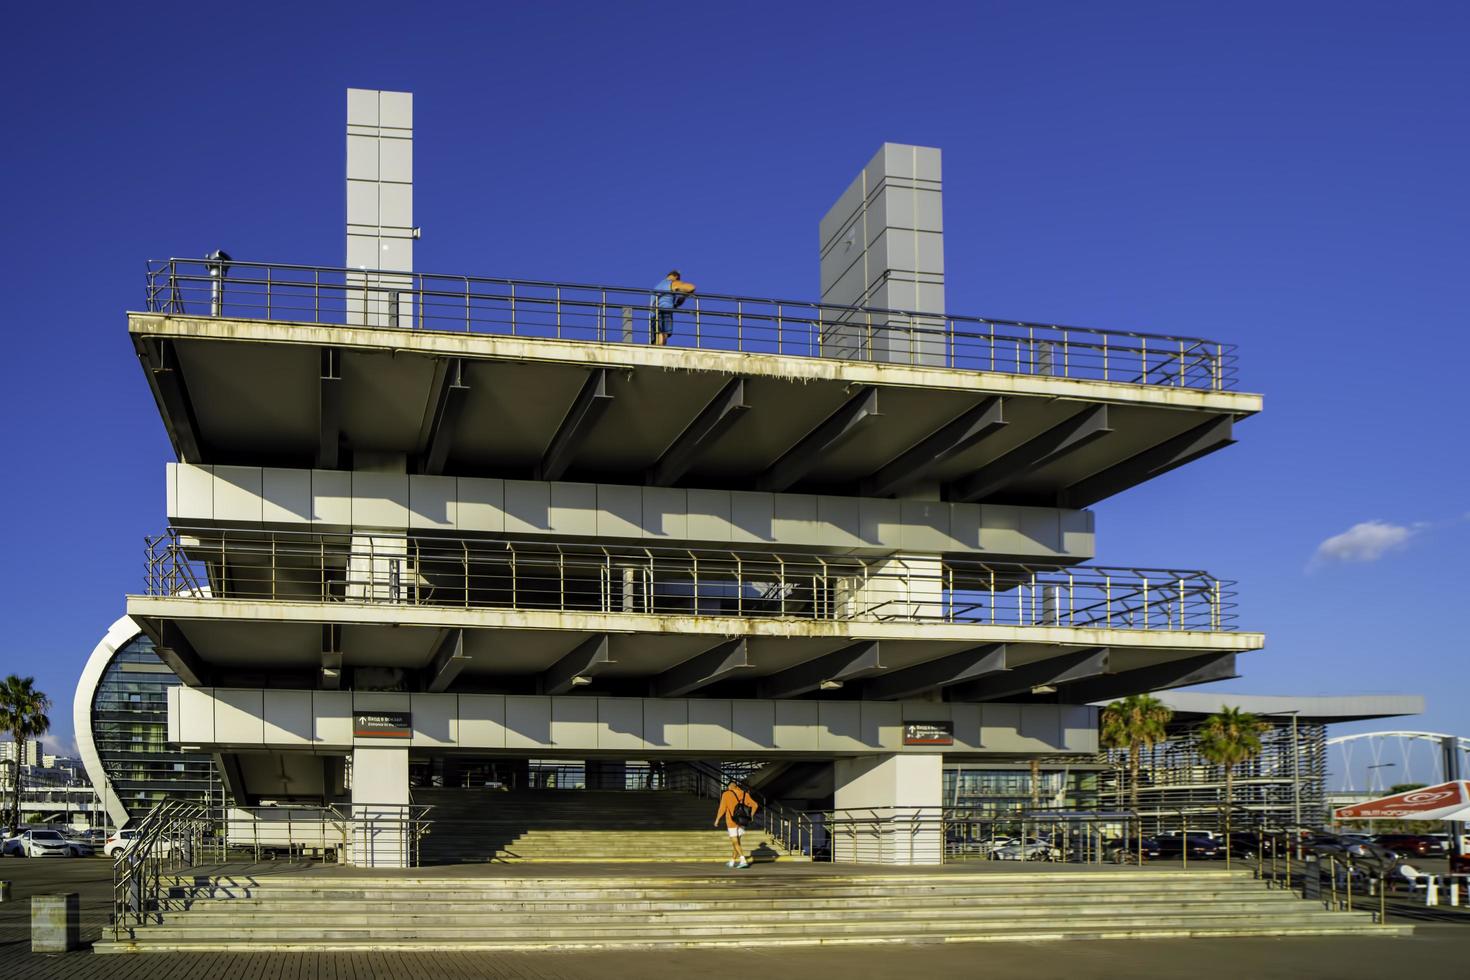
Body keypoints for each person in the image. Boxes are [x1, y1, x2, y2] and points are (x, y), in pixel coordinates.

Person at [714, 779, 758, 869]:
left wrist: (717, 819)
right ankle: (732, 861)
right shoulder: (745, 794)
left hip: (731, 821)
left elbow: (722, 808)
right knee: (737, 843)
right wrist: (751, 815)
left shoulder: (726, 794)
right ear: (736, 786)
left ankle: (743, 860)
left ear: (729, 787)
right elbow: (755, 805)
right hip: (742, 821)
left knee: (735, 842)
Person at [649, 270, 695, 345]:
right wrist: (684, 294)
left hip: (653, 314)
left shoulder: (658, 285)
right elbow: (691, 288)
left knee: (656, 337)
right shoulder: (673, 282)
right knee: (663, 335)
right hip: (664, 312)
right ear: (676, 276)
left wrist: (676, 303)